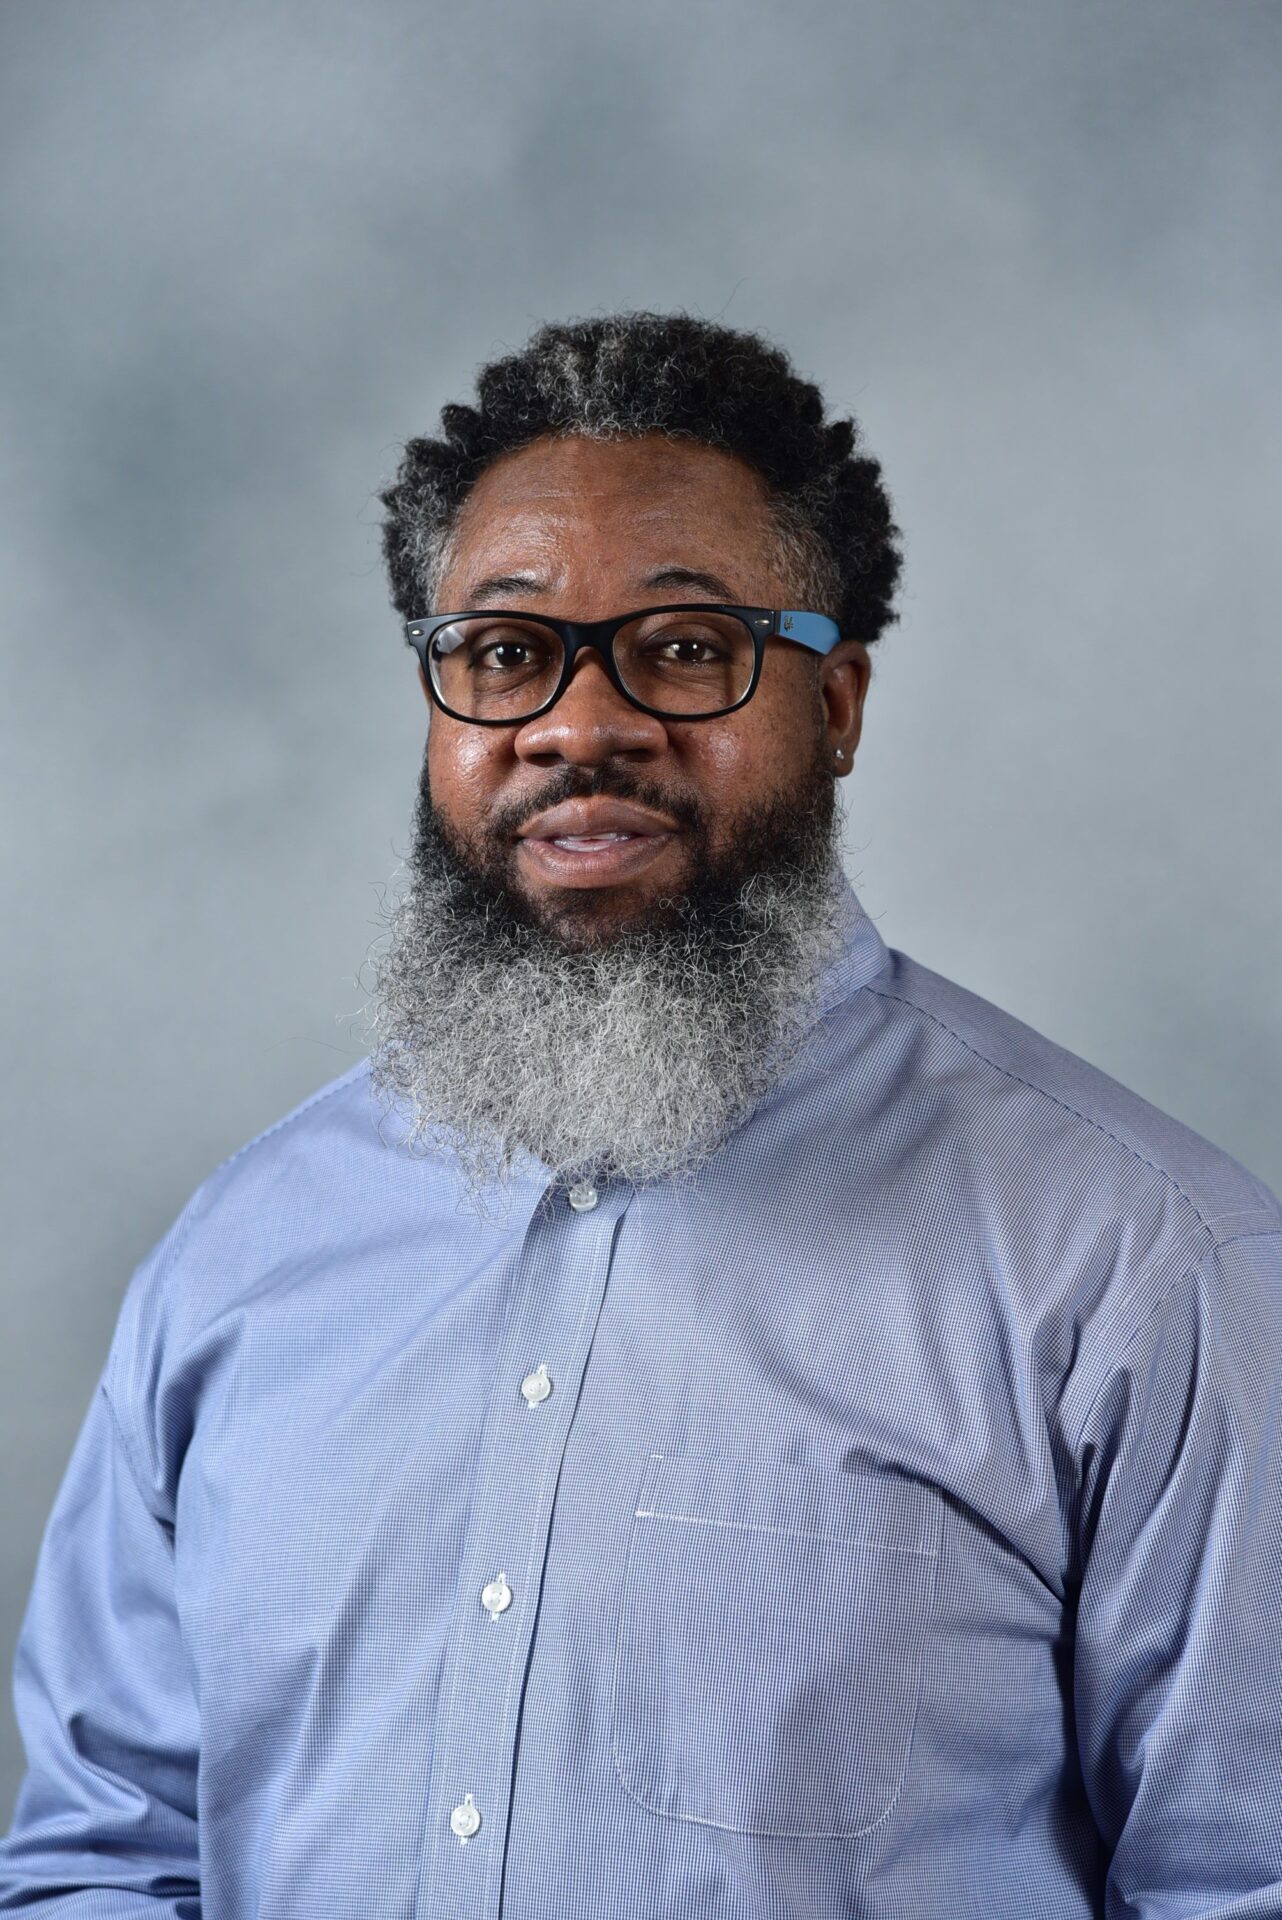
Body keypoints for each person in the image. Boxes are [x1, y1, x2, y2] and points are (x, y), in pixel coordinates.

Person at [2, 312, 1280, 1920]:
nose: (580, 724)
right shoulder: (244, 1252)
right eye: (504, 648)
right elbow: (105, 1854)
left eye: (686, 646)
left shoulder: (1143, 1269)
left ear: (839, 703)